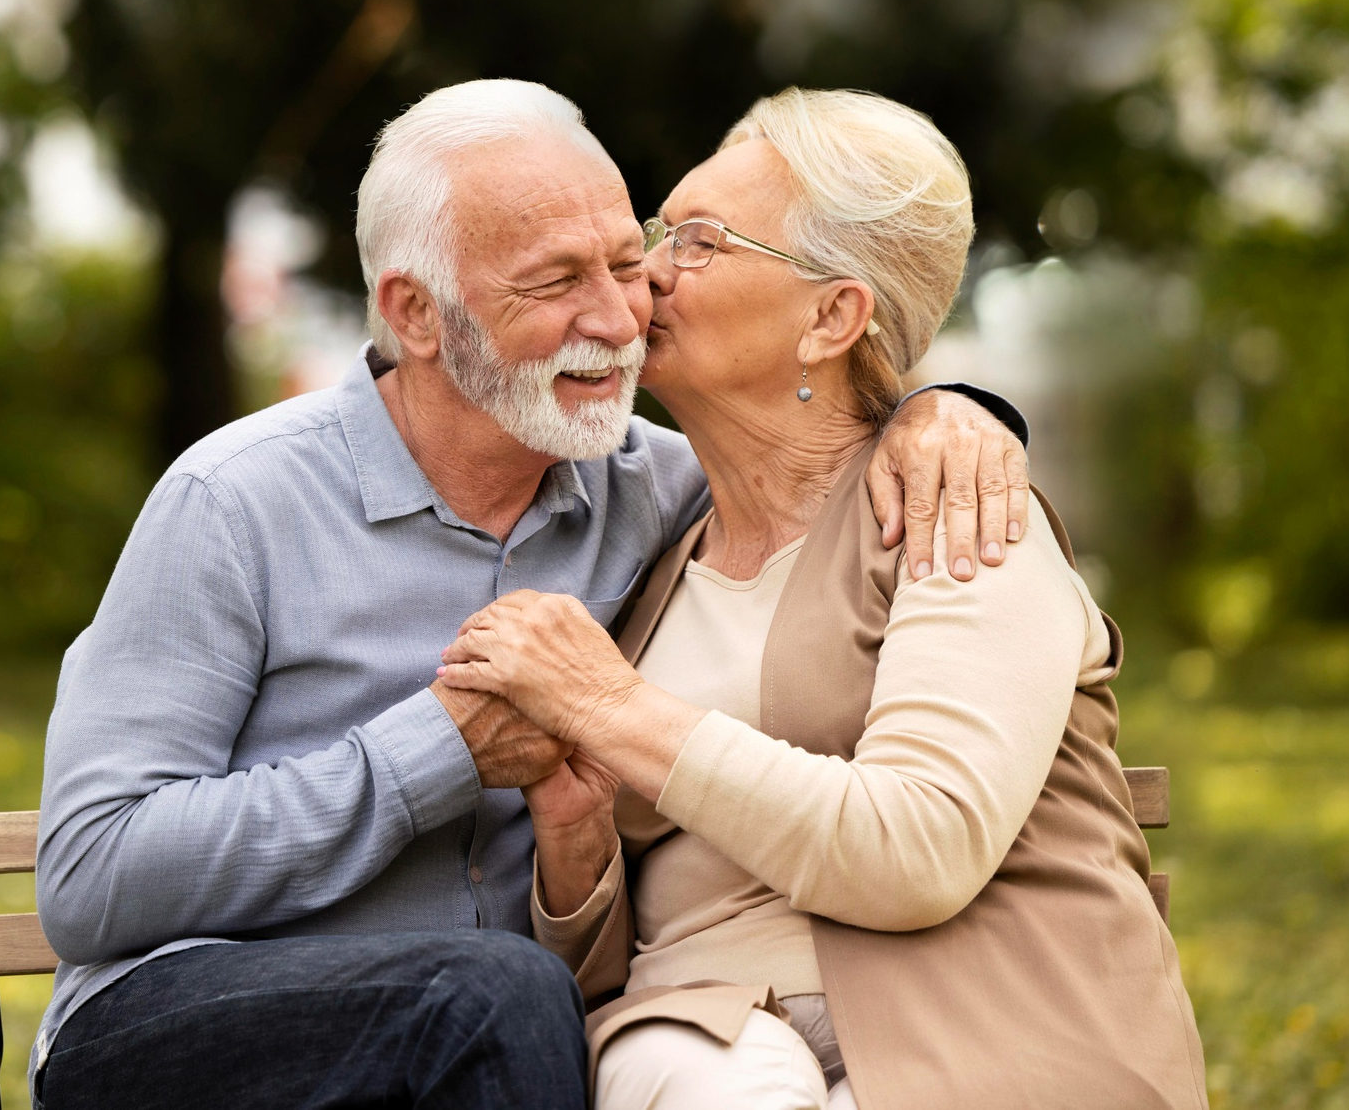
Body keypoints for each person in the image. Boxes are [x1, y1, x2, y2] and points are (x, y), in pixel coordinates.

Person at [29, 79, 1032, 1109]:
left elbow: (812, 439)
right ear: (414, 312)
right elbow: (92, 875)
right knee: (495, 991)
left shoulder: (665, 493)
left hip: (502, 1053)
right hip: (191, 1024)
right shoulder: (234, 501)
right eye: (554, 281)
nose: (616, 316)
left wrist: (947, 412)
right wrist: (437, 750)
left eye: (622, 261)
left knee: (510, 999)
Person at [436, 88, 1209, 1110]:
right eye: (660, 232)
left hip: (986, 1026)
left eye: (700, 241)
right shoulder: (649, 549)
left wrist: (612, 709)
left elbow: (916, 848)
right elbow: (591, 976)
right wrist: (577, 846)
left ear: (831, 315)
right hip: (696, 1034)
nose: (645, 272)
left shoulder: (958, 513)